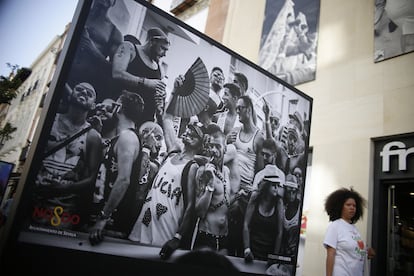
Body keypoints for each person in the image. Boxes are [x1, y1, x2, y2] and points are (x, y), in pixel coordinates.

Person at [128, 77, 206, 260]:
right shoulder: (172, 153)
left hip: (164, 234)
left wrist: (177, 238)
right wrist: (175, 93)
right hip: (141, 228)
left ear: (201, 144)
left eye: (195, 132)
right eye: (190, 129)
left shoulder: (192, 167)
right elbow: (168, 118)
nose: (189, 131)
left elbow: (191, 208)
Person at [31, 82, 102, 230]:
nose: (83, 93)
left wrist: (63, 189)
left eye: (89, 94)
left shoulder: (93, 136)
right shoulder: (49, 121)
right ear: (71, 94)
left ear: (93, 105)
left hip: (63, 213)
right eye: (79, 89)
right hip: (31, 202)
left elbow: (91, 177)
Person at [89, 91, 148, 243]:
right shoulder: (122, 137)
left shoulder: (127, 137)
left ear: (119, 107)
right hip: (105, 221)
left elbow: (123, 180)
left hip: (110, 226)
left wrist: (103, 217)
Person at [227, 95, 264, 257]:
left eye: (240, 108)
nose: (237, 111)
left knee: (239, 236)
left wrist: (251, 193)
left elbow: (260, 170)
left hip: (246, 193)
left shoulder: (259, 136)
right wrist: (227, 140)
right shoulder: (235, 131)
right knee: (227, 232)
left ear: (248, 110)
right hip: (231, 187)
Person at [67, 0, 123, 101]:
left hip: (86, 80)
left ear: (113, 2)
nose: (103, 2)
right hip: (66, 72)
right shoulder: (80, 15)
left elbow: (114, 69)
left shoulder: (114, 32)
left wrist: (92, 50)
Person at [112, 27, 170, 124]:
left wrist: (161, 97)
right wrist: (145, 82)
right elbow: (117, 73)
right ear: (152, 42)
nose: (164, 54)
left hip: (145, 120)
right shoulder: (130, 48)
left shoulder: (159, 68)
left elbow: (158, 94)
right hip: (122, 113)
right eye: (162, 48)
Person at [193, 124, 231, 253]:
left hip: (224, 239)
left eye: (218, 146)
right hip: (206, 238)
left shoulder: (227, 171)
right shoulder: (203, 172)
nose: (214, 150)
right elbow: (199, 212)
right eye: (211, 146)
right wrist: (210, 185)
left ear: (225, 148)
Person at [323, 187, 376, 276]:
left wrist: (367, 252)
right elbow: (330, 254)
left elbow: (354, 251)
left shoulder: (354, 229)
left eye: (354, 206)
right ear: (340, 206)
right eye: (348, 205)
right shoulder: (335, 226)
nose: (352, 208)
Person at [243, 175, 285, 262]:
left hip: (269, 253)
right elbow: (246, 225)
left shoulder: (279, 202)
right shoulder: (255, 198)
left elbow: (280, 232)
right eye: (274, 185)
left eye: (278, 185)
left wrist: (275, 256)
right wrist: (247, 249)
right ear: (267, 185)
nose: (276, 188)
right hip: (252, 251)